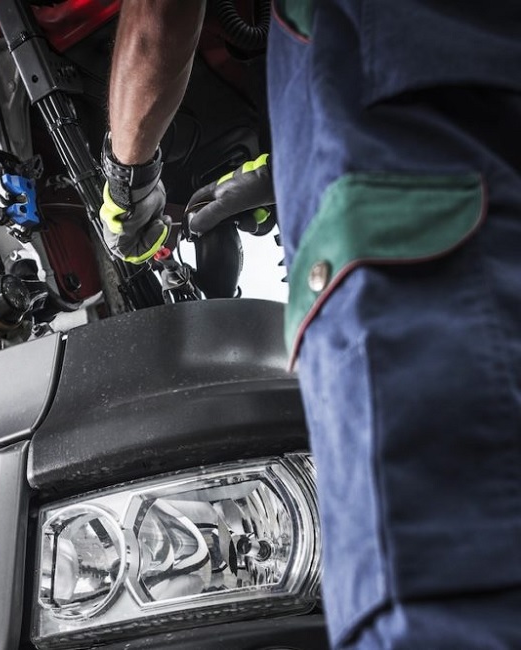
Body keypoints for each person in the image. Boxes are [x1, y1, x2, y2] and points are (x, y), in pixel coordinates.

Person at [98, 1, 521, 647]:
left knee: (431, 595)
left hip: (420, 262)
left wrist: (127, 180)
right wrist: (288, 171)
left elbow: (157, 19)